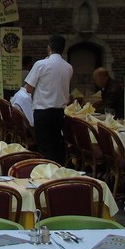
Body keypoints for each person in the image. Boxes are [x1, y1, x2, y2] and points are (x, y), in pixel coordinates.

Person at [24, 34, 73, 163]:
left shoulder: (41, 64)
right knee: (57, 144)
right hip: (59, 112)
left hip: (43, 111)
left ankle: (47, 173)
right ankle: (58, 170)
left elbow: (29, 88)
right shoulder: (68, 67)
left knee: (45, 146)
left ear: (49, 47)